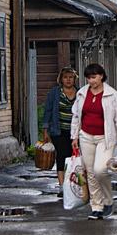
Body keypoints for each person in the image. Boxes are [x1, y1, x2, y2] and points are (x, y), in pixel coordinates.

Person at [71, 63, 117, 220]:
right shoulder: (82, 93)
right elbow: (76, 116)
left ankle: (108, 200)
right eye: (88, 78)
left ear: (101, 76)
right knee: (90, 172)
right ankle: (96, 206)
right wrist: (74, 137)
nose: (91, 81)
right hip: (86, 136)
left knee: (100, 170)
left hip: (105, 137)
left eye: (94, 77)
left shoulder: (111, 94)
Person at [42, 67, 78, 197]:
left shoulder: (80, 93)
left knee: (74, 158)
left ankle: (72, 184)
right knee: (62, 156)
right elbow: (48, 111)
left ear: (74, 79)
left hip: (75, 132)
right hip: (58, 131)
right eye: (65, 77)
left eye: (71, 77)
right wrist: (45, 130)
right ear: (61, 79)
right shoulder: (55, 93)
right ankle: (62, 187)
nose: (68, 80)